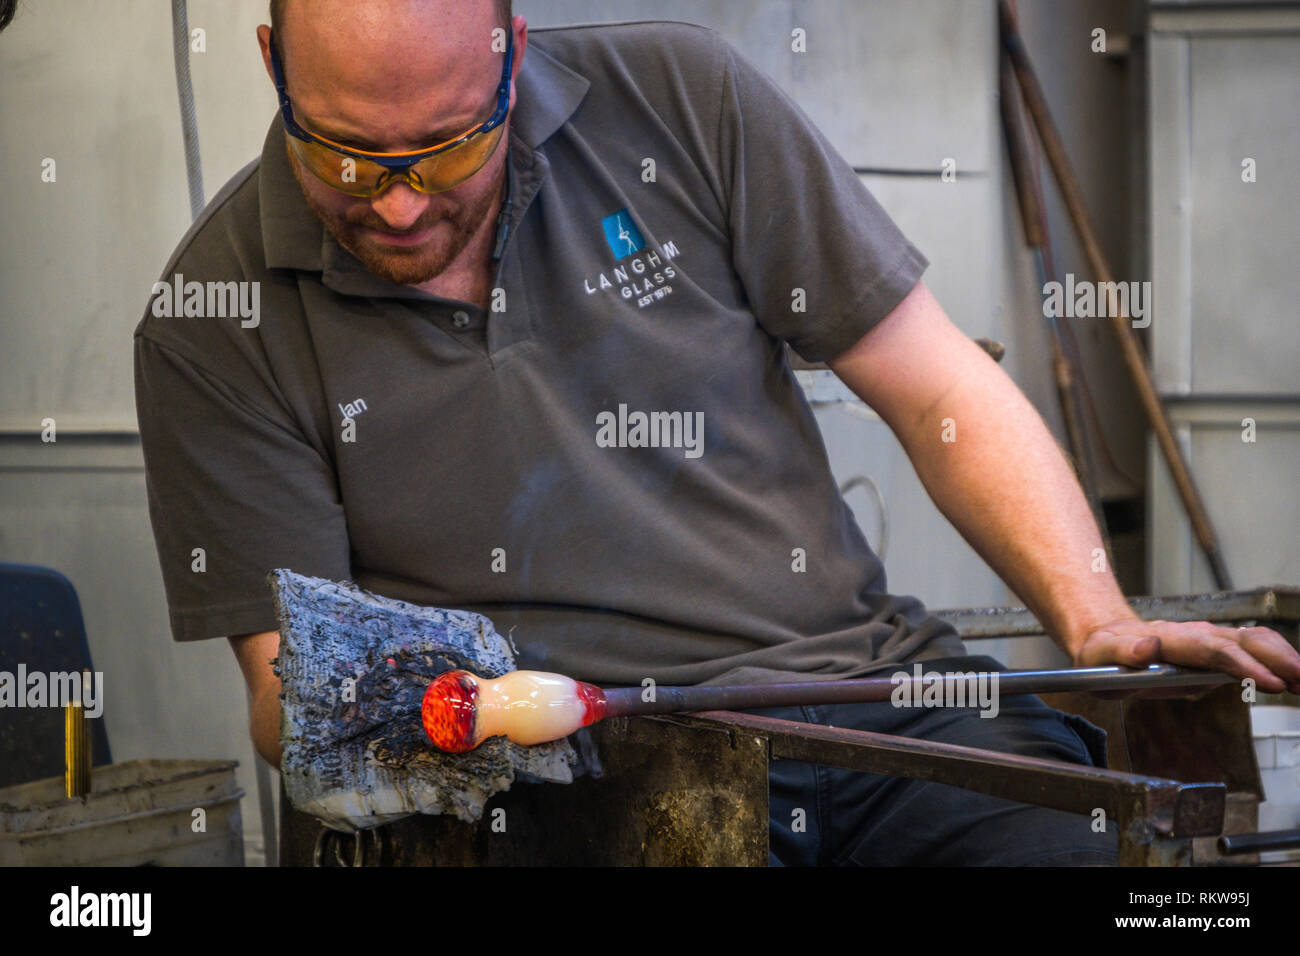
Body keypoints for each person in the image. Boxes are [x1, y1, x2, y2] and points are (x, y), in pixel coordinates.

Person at [133, 0, 1300, 865]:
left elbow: (934, 382)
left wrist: (1095, 613)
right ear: (272, 61)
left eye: (443, 148)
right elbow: (289, 698)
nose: (393, 202)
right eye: (345, 152)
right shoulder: (213, 320)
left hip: (866, 710)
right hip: (561, 792)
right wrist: (442, 711)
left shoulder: (681, 103)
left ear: (513, 54)